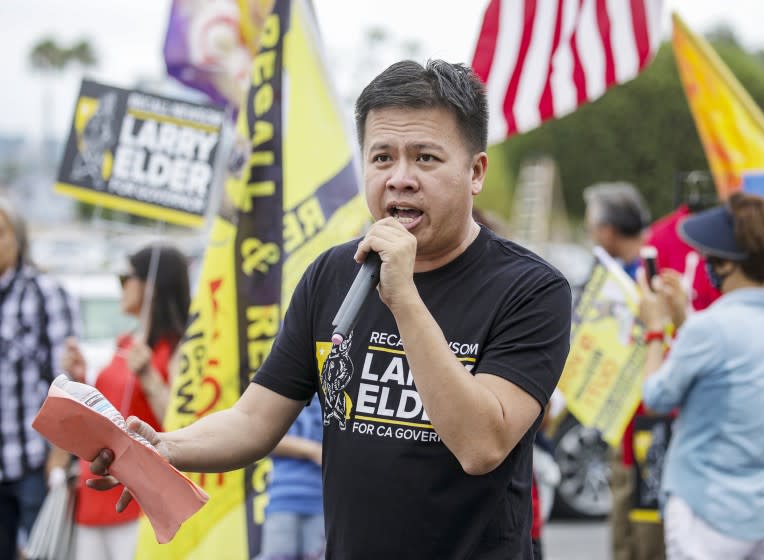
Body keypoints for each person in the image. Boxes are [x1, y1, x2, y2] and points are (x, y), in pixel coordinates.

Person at [87, 59, 572, 559]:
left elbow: (481, 445)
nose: (400, 178)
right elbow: (254, 420)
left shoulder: (531, 289)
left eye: (425, 158)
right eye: (382, 158)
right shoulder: (333, 274)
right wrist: (167, 447)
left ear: (475, 172)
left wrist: (404, 298)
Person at [638, 192, 764, 559]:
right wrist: (684, 318)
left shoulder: (711, 330)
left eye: (712, 256)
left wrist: (654, 329)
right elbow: (730, 353)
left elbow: (655, 398)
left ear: (729, 265)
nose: (707, 262)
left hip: (707, 512)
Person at [60, 244, 191, 560]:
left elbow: (182, 422)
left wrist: (148, 377)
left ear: (151, 285)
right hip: (95, 486)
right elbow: (110, 411)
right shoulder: (125, 343)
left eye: (126, 277)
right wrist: (79, 381)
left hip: (139, 496)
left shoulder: (178, 350)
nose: (121, 285)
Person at [582, 182, 664, 560]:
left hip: (651, 425)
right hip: (624, 424)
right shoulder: (625, 272)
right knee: (626, 527)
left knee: (645, 533)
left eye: (591, 226)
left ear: (608, 231)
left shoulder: (652, 274)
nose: (591, 235)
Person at [0, 196, 80, 559]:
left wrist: (60, 453)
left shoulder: (45, 292)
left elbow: (65, 380)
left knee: (43, 552)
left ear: (18, 239)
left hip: (35, 459)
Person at [261, 399, 325, 560]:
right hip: (284, 499)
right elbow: (263, 440)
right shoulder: (283, 394)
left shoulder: (334, 395)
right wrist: (312, 450)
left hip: (322, 503)